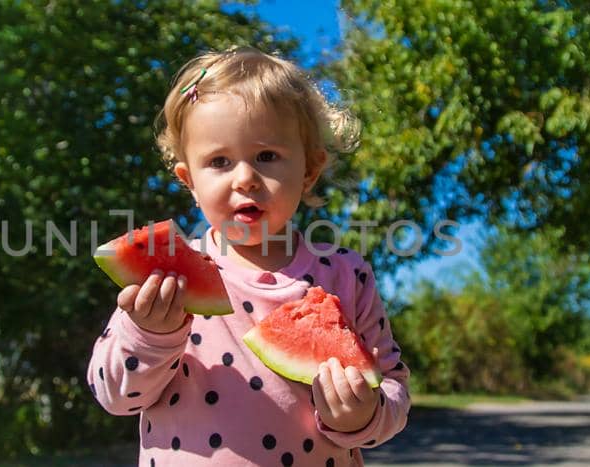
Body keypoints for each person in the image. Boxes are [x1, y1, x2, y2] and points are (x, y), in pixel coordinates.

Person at [87, 46, 410, 466]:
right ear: (189, 180)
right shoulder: (168, 277)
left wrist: (363, 415)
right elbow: (113, 395)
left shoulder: (347, 274)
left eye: (267, 157)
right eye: (219, 161)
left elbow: (394, 386)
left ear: (310, 169)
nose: (245, 178)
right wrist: (149, 335)